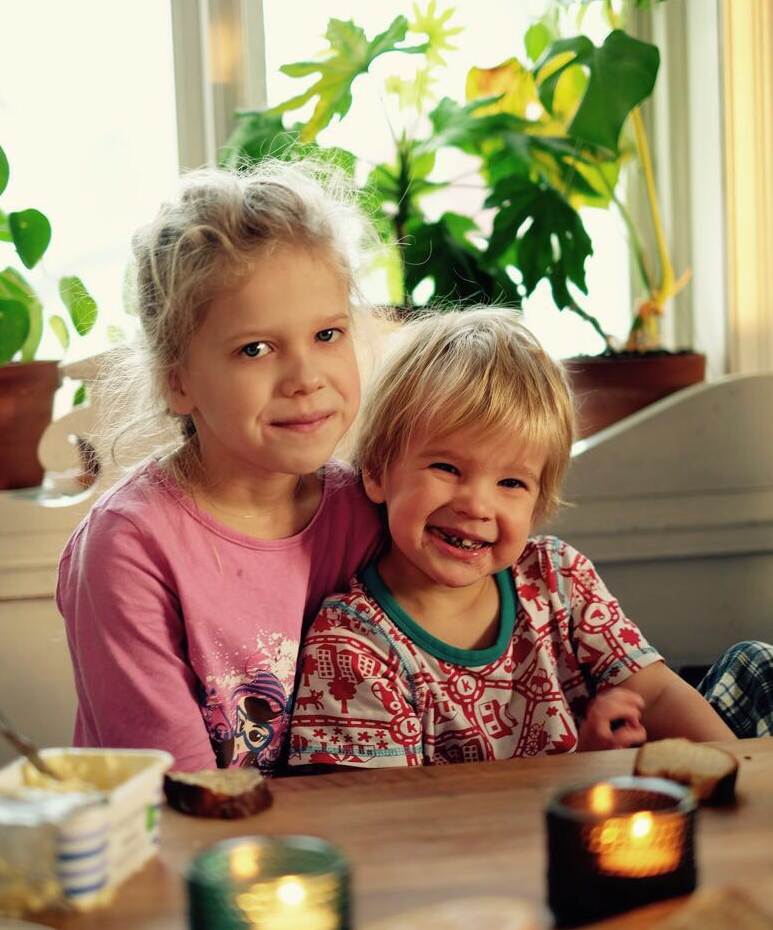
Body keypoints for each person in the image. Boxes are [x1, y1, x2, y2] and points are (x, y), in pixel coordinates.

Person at [288, 308, 740, 770]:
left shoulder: (558, 577)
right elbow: (382, 811)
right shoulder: (351, 646)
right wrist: (581, 767)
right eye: (447, 468)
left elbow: (657, 694)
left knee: (754, 665)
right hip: (493, 817)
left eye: (511, 483)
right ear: (377, 472)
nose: (477, 505)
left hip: (594, 805)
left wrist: (744, 772)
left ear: (538, 504)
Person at [57, 161, 384, 772]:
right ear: (177, 380)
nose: (306, 377)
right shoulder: (129, 546)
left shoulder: (369, 510)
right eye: (255, 349)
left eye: (328, 335)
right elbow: (180, 787)